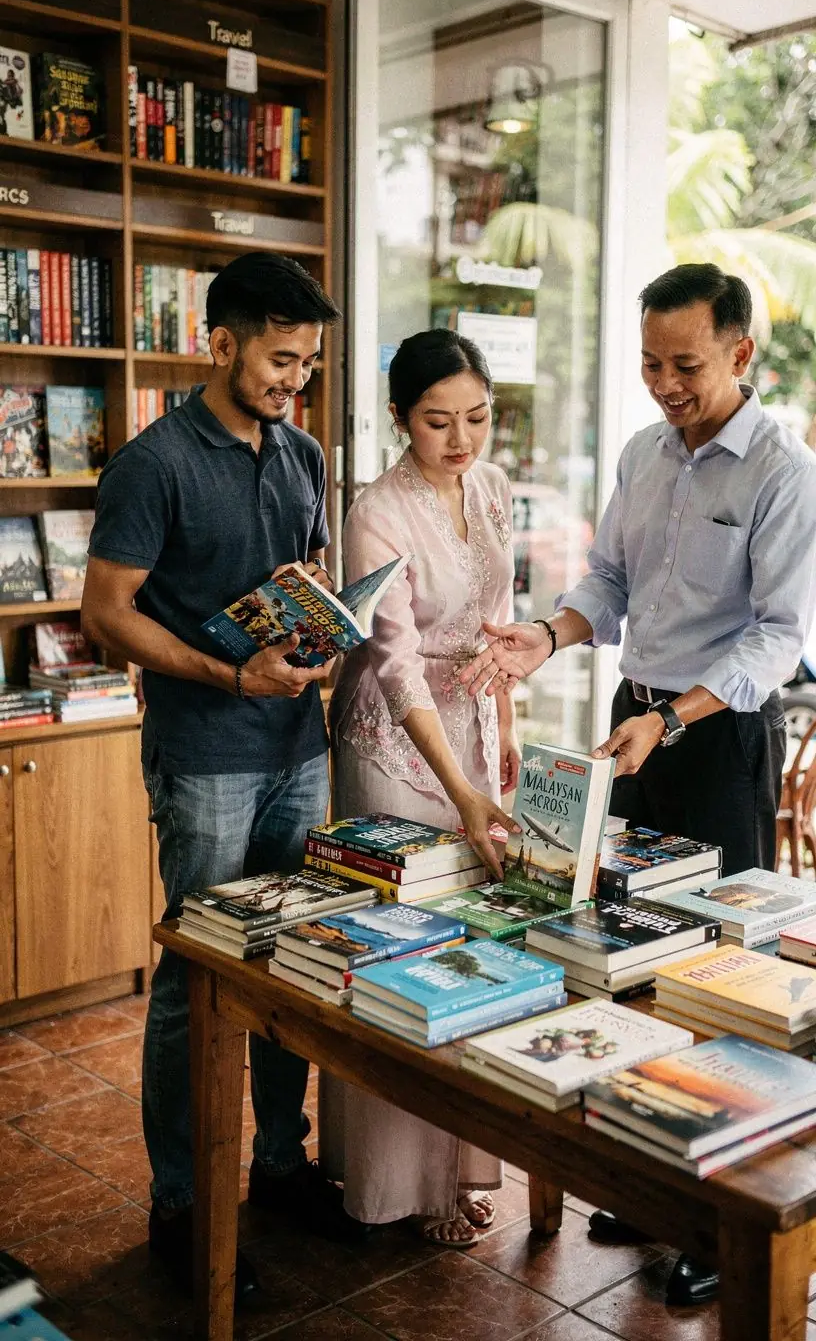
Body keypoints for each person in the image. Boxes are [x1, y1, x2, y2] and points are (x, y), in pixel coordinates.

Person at [460, 262, 816, 1305]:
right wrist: (546, 633)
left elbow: (782, 637)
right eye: (651, 362)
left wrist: (671, 717)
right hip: (637, 718)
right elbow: (609, 583)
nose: (664, 382)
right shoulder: (642, 453)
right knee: (629, 946)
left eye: (686, 365)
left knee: (723, 976)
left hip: (714, 733)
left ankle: (723, 1220)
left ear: (742, 354)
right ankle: (660, 1176)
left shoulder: (784, 473)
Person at [81, 253, 361, 1307]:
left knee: (290, 969)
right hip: (204, 759)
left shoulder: (304, 453)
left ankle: (279, 1171)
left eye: (310, 362)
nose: (297, 379)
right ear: (221, 344)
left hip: (300, 748)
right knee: (199, 981)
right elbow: (105, 615)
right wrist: (226, 673)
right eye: (282, 358)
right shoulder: (152, 464)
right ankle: (182, 1203)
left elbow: (307, 574)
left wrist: (327, 624)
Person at [318, 328, 520, 1247]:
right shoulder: (376, 509)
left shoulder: (494, 488)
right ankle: (392, 1182)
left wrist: (505, 743)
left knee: (471, 949)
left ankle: (454, 1171)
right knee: (399, 951)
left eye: (476, 417)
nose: (461, 439)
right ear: (401, 418)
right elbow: (394, 668)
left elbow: (502, 626)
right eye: (438, 421)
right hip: (394, 748)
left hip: (474, 733)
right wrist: (458, 788)